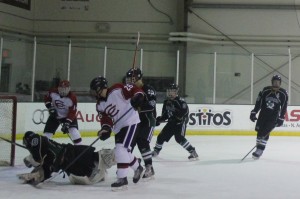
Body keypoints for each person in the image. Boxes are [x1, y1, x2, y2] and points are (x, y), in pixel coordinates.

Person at [89, 76, 145, 191]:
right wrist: (105, 129)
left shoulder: (117, 89)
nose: (94, 93)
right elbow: (106, 120)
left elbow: (135, 90)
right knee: (124, 152)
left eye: (95, 89)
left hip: (131, 121)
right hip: (119, 128)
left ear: (101, 88)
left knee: (120, 150)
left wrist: (138, 96)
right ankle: (138, 167)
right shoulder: (100, 105)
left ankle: (122, 179)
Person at [18, 131, 116, 185]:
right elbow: (46, 170)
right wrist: (35, 176)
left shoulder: (36, 139)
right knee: (86, 175)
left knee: (106, 157)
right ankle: (100, 173)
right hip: (70, 165)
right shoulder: (46, 158)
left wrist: (30, 159)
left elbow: (37, 157)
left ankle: (123, 155)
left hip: (72, 153)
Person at [153, 83, 199, 160]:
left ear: (176, 92)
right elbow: (165, 115)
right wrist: (159, 120)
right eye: (169, 91)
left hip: (180, 123)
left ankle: (193, 152)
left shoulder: (181, 101)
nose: (170, 92)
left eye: (172, 91)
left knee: (179, 138)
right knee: (161, 137)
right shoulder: (166, 102)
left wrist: (174, 110)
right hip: (171, 122)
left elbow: (183, 113)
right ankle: (156, 151)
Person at [125, 68, 156, 179]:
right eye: (129, 79)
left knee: (143, 142)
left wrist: (139, 107)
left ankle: (149, 167)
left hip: (147, 121)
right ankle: (132, 165)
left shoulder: (148, 89)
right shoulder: (129, 91)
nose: (130, 81)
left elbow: (151, 105)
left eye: (132, 79)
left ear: (139, 78)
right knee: (128, 145)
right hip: (134, 122)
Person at [250, 74, 288, 159]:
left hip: (273, 117)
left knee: (265, 133)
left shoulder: (283, 93)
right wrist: (254, 112)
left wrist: (281, 118)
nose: (276, 84)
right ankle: (258, 148)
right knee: (259, 132)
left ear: (280, 83)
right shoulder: (265, 90)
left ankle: (260, 149)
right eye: (274, 82)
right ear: (272, 82)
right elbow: (259, 103)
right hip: (262, 115)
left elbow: (284, 106)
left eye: (278, 82)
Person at [43, 80, 82, 144]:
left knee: (74, 132)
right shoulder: (52, 92)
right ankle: (43, 150)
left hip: (68, 117)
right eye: (61, 88)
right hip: (54, 116)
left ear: (69, 89)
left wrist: (67, 123)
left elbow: (72, 112)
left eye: (65, 89)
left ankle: (80, 148)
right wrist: (50, 107)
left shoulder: (72, 98)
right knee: (47, 135)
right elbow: (46, 98)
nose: (63, 91)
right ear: (58, 88)